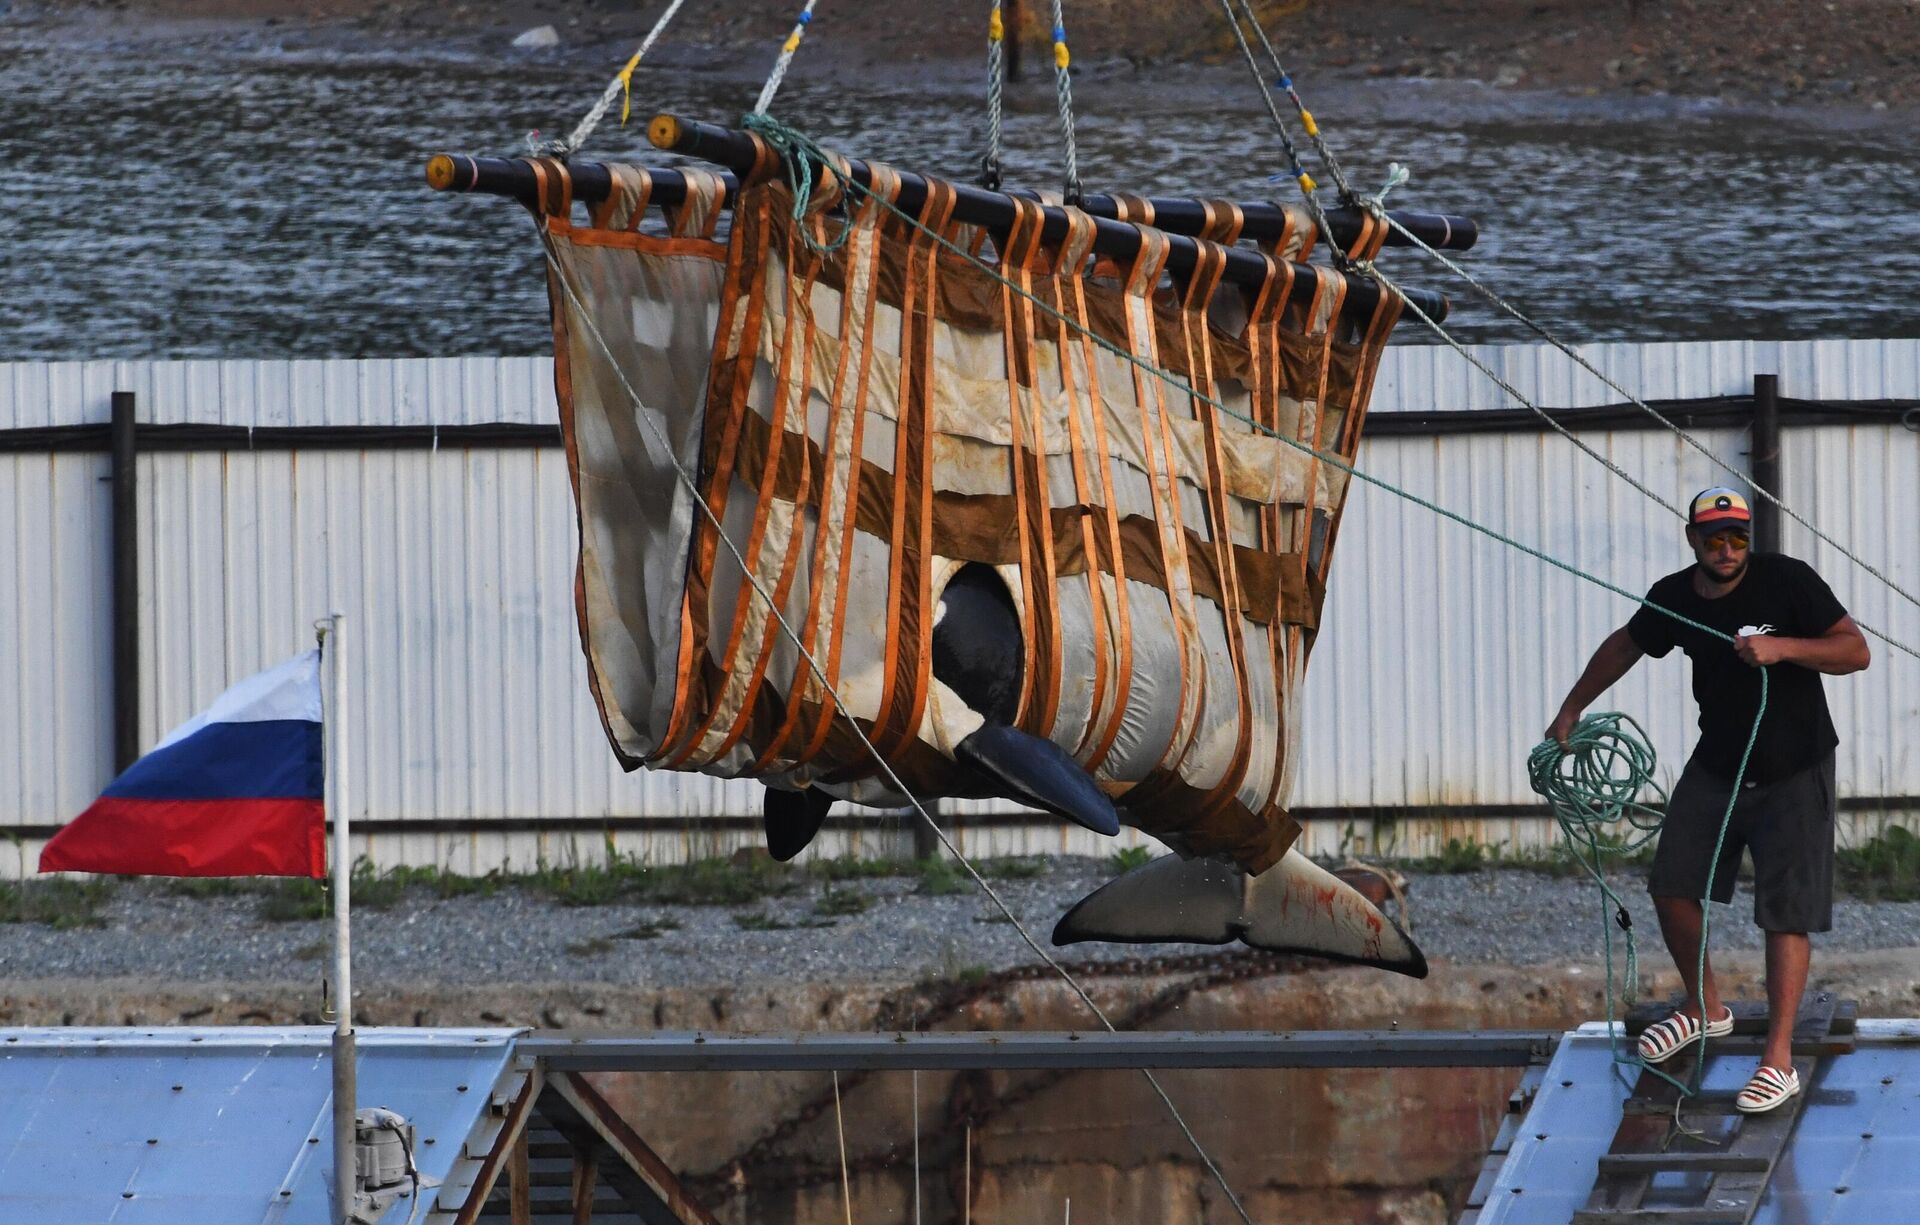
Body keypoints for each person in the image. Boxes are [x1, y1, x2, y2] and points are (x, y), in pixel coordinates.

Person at [1546, 487, 1870, 1113]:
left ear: (1751, 538)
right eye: (1713, 537)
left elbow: (1854, 651)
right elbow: (1626, 643)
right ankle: (1705, 1006)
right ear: (1692, 538)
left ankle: (1777, 1058)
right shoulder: (1674, 595)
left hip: (1794, 768)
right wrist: (1572, 706)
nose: (1726, 549)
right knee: (1672, 883)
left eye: (1737, 537)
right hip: (1720, 762)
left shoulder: (1789, 581)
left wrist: (1784, 648)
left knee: (1784, 911)